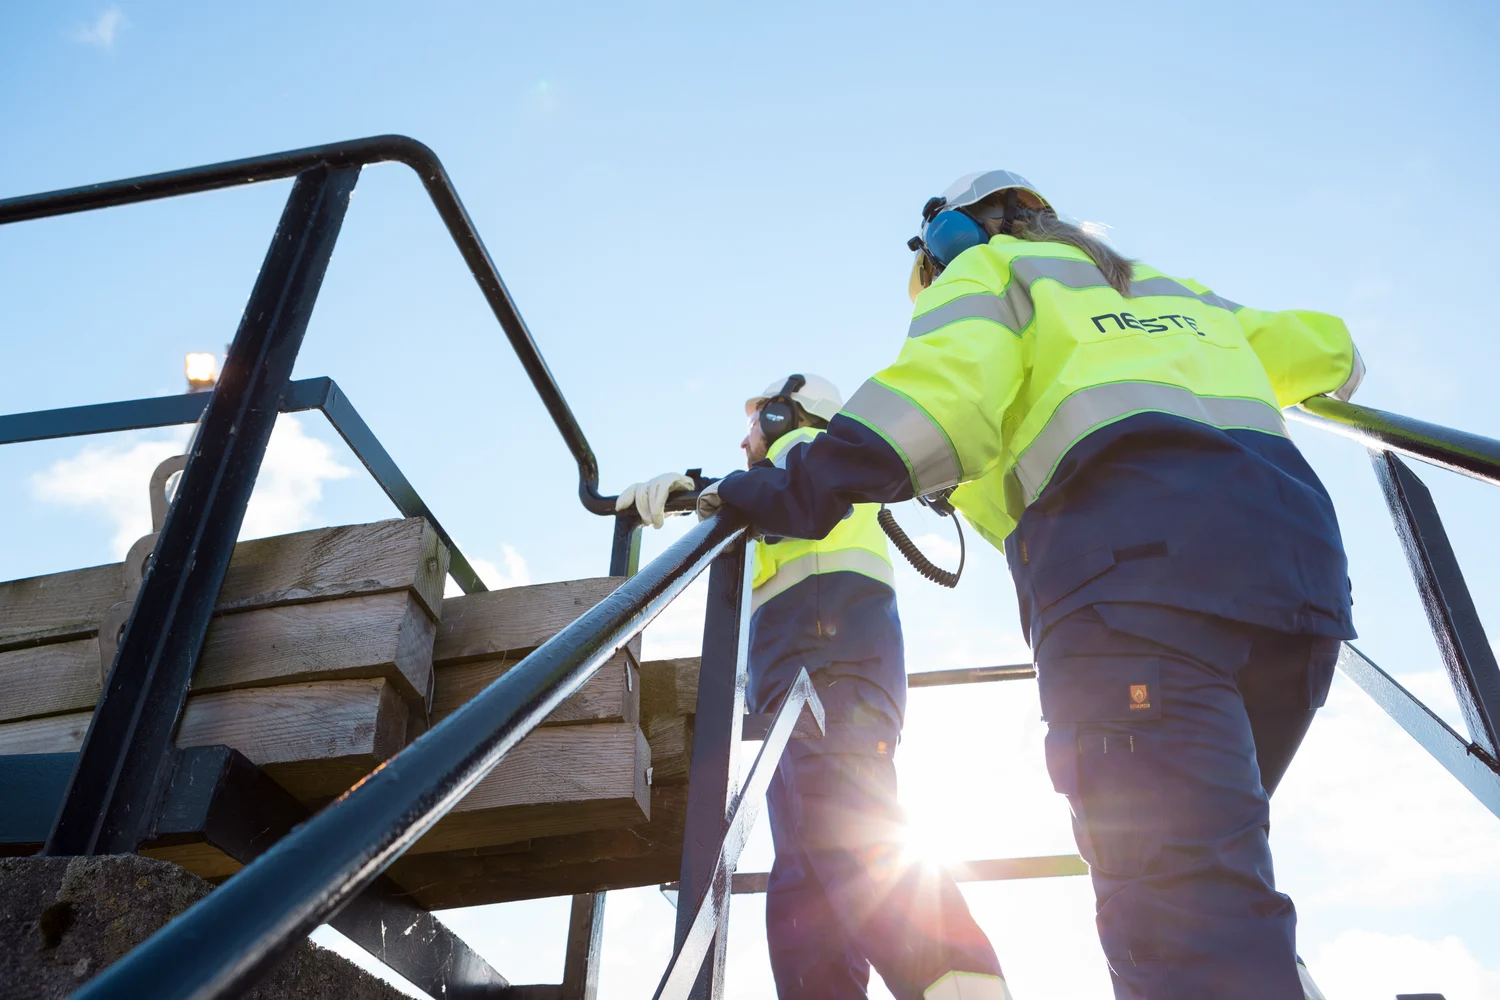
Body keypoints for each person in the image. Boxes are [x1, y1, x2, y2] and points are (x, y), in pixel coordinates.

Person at [693, 171, 1363, 1000]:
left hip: (1135, 586)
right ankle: (1264, 963)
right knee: (1208, 871)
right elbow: (1327, 348)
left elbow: (937, 404)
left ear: (952, 241)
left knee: (1176, 917)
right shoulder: (1161, 285)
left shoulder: (993, 274)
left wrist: (780, 488)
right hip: (1295, 589)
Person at [616, 374, 1012, 1000]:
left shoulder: (802, 458)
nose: (744, 440)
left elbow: (772, 497)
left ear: (783, 416)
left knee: (855, 844)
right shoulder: (793, 475)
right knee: (806, 890)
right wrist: (697, 495)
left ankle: (961, 986)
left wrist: (705, 493)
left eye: (753, 423)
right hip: (806, 690)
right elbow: (757, 522)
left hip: (827, 681)